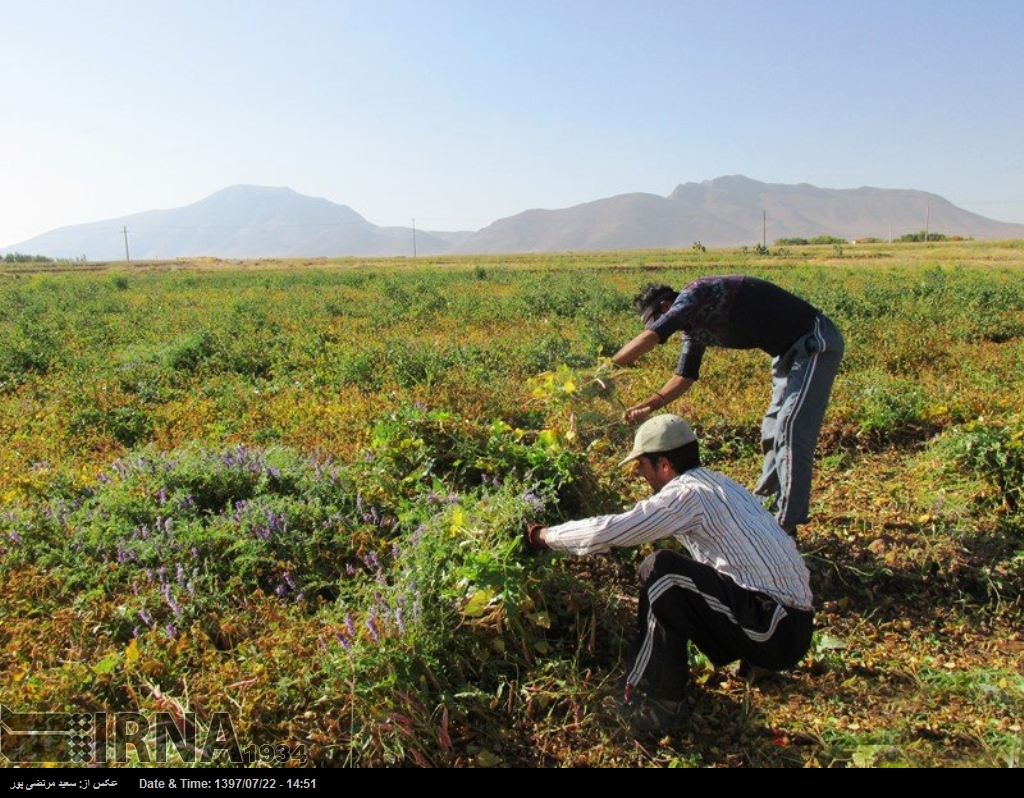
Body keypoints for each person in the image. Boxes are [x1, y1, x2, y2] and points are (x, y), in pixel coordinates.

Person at [524, 414, 814, 734]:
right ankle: (757, 662)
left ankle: (657, 702)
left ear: (663, 465)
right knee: (696, 575)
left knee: (662, 572)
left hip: (775, 629)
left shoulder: (685, 495)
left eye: (643, 466)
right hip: (794, 625)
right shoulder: (723, 484)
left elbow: (611, 531)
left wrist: (544, 537)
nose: (641, 476)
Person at [610, 276, 844, 535]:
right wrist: (647, 406)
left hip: (813, 342)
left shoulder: (695, 294)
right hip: (786, 354)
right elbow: (684, 376)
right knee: (771, 429)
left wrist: (609, 366)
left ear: (666, 306)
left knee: (791, 427)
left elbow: (651, 336)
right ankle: (764, 507)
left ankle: (785, 524)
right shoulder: (694, 329)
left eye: (656, 318)